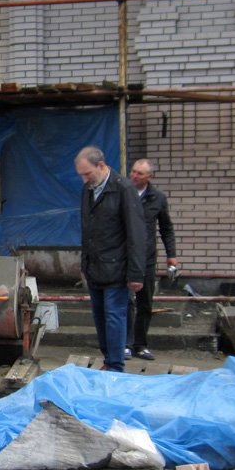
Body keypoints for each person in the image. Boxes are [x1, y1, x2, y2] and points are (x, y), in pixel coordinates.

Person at [75, 146, 145, 372]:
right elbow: (87, 230)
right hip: (95, 267)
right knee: (100, 317)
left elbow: (136, 233)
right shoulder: (89, 190)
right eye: (82, 175)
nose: (85, 179)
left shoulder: (123, 189)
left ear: (102, 166)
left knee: (114, 317)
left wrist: (135, 273)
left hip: (117, 268)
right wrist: (84, 263)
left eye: (88, 173)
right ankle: (108, 359)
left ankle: (115, 366)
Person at [125, 158, 178, 361]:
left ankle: (140, 344)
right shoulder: (124, 194)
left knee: (145, 301)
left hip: (147, 258)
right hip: (127, 257)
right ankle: (126, 344)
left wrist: (171, 255)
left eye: (139, 173)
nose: (134, 175)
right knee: (127, 301)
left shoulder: (157, 198)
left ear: (149, 177)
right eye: (133, 171)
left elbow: (166, 228)